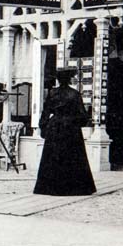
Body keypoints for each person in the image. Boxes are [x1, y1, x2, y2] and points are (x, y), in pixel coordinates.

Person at [34, 67, 96, 196]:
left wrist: (44, 127)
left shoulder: (52, 93)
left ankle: (50, 188)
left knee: (53, 156)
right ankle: (72, 188)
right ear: (69, 79)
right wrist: (76, 123)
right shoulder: (74, 94)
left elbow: (45, 112)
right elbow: (82, 115)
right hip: (70, 128)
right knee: (72, 157)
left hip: (54, 127)